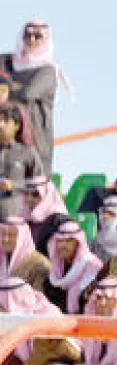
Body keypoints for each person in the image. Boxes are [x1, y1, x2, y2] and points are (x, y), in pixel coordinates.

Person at [0, 277, 79, 365]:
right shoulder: (19, 321)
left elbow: (39, 358)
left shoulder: (47, 316)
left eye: (2, 306)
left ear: (13, 302)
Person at [4, 20, 66, 173]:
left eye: (37, 36)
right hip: (5, 135)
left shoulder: (48, 70)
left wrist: (7, 88)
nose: (31, 40)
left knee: (34, 184)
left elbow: (28, 93)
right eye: (28, 35)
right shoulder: (7, 61)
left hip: (36, 138)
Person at [0, 104, 41, 219]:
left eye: (5, 121)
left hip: (15, 219)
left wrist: (14, 185)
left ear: (17, 125)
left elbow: (40, 184)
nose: (0, 125)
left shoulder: (27, 152)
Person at [0, 215, 47, 292]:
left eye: (11, 235)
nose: (5, 239)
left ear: (22, 238)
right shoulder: (2, 258)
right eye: (3, 234)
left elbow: (39, 299)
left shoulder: (39, 265)